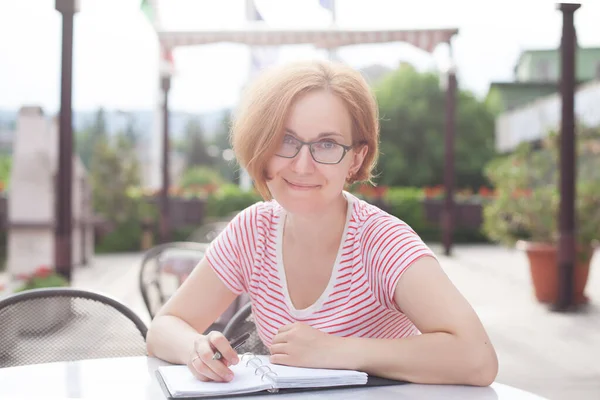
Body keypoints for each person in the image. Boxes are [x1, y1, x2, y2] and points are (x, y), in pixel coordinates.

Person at [146, 60, 498, 386]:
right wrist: (196, 348)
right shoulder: (253, 231)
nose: (302, 165)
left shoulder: (381, 242)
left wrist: (337, 351)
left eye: (327, 144)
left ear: (356, 158)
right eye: (286, 140)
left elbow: (477, 357)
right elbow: (162, 327)